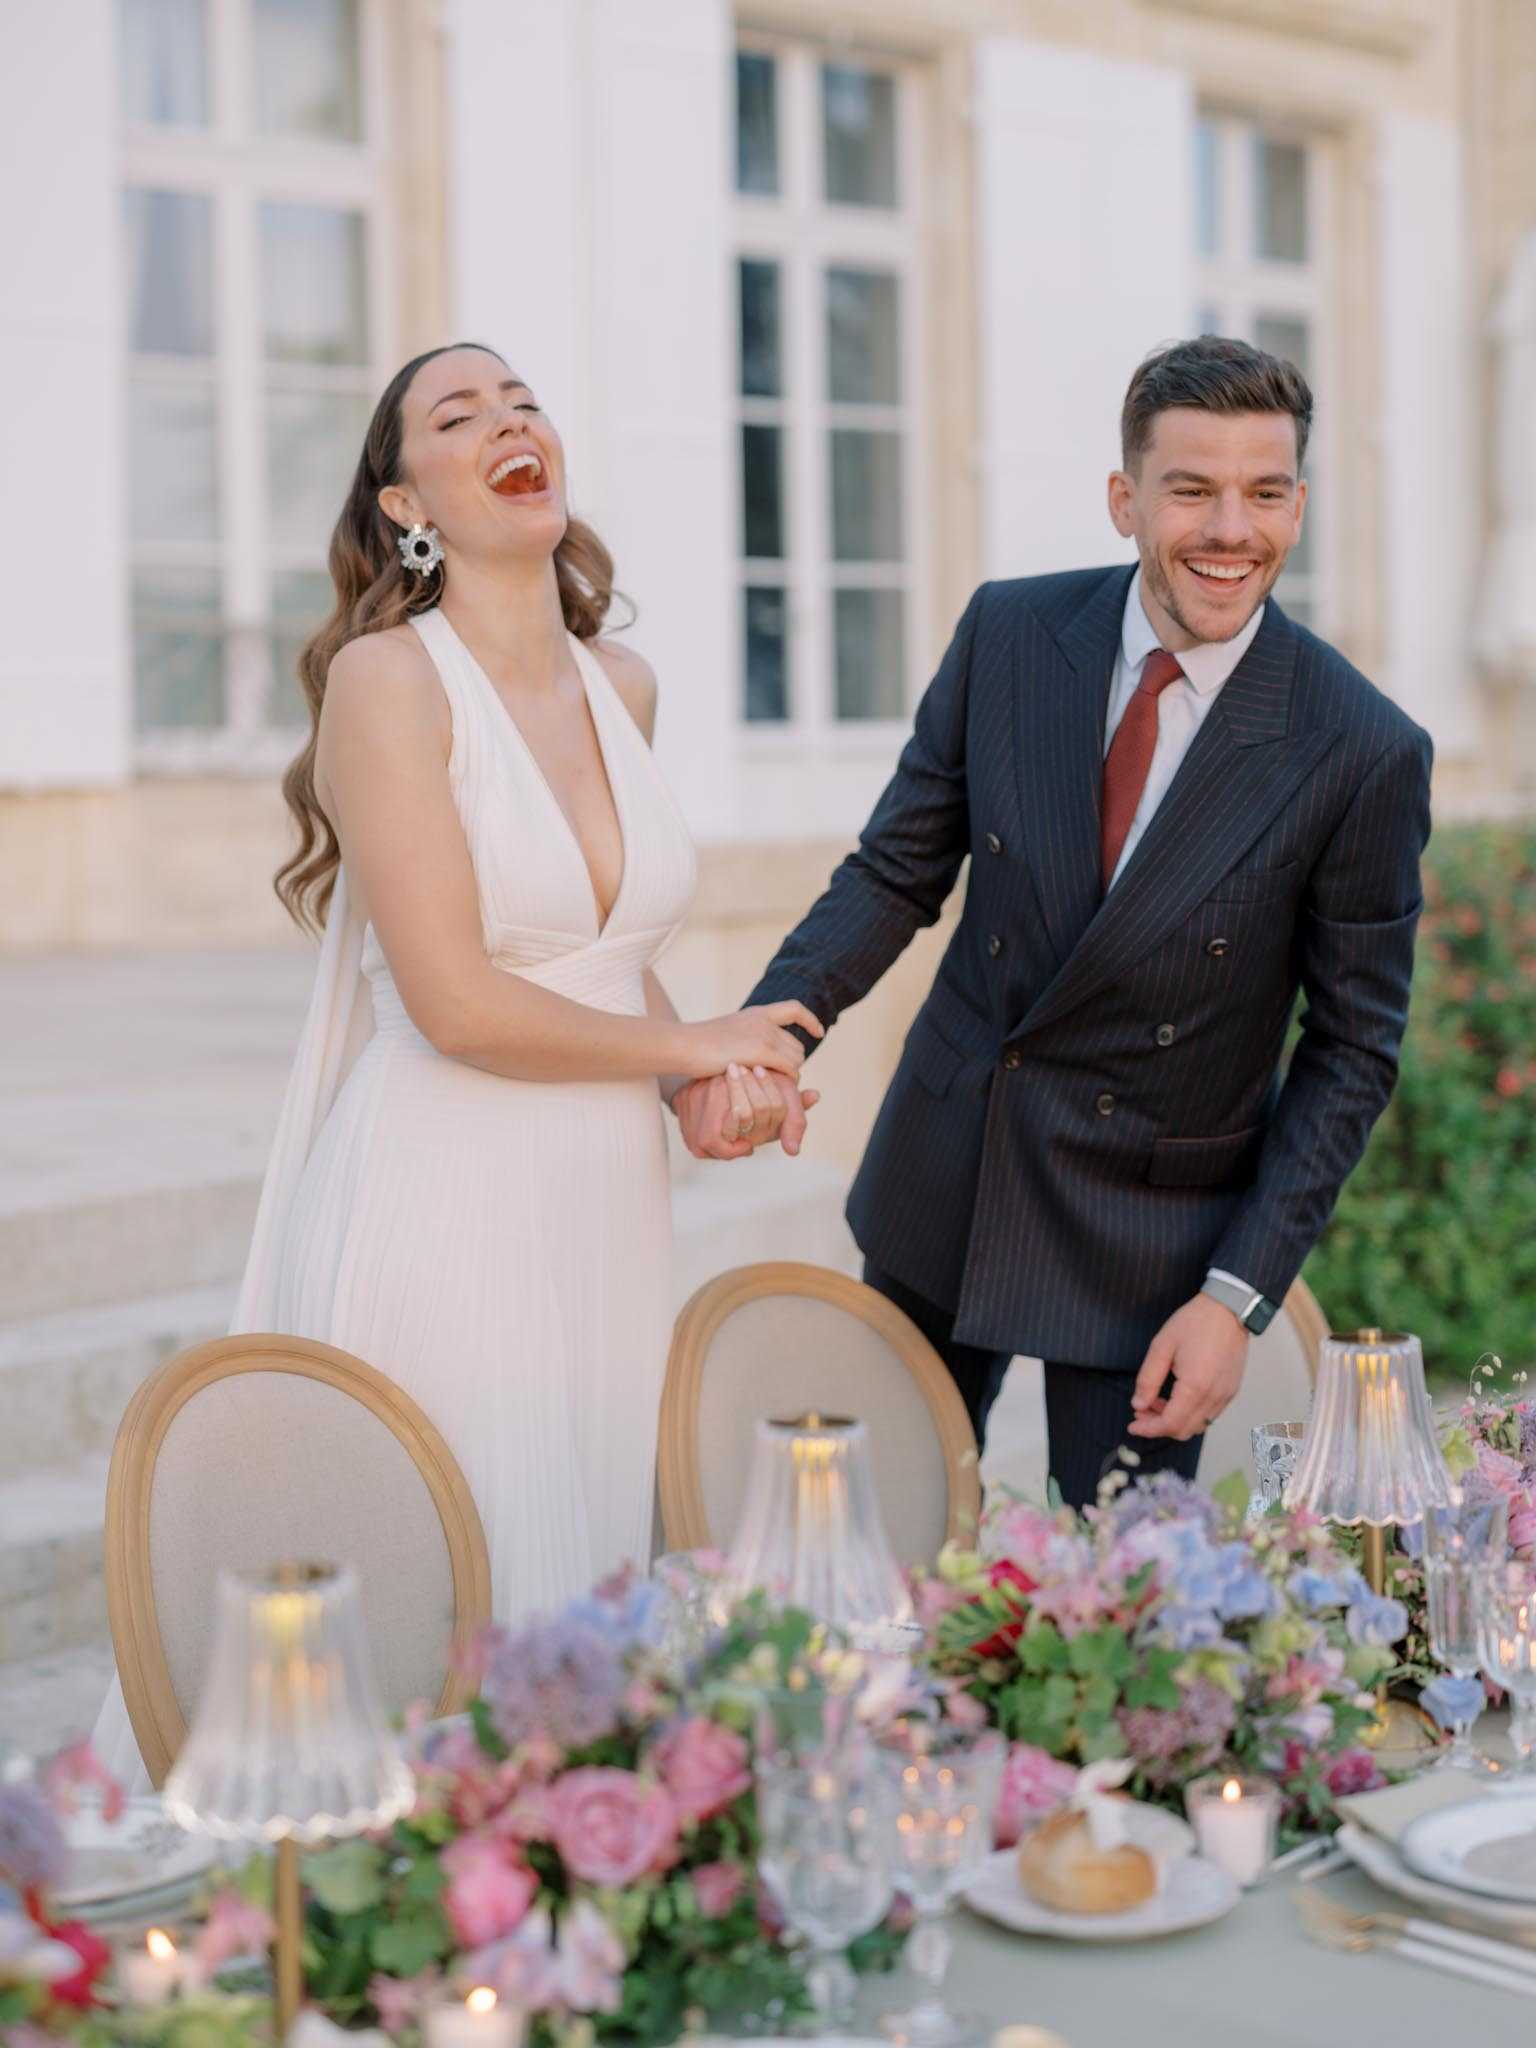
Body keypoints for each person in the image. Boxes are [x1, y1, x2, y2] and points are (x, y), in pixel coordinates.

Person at [93, 342, 819, 1779]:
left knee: (579, 1551)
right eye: (458, 414)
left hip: (599, 1197)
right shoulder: (386, 682)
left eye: (525, 400)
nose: (509, 423)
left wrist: (695, 1088)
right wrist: (694, 1040)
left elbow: (604, 946)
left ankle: (553, 1885)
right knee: (453, 1561)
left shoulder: (629, 682)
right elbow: (455, 1001)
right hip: (443, 1185)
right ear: (403, 497)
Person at [675, 336, 1432, 1509]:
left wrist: (1237, 1293)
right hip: (950, 1176)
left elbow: (1350, 1052)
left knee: (1124, 1615)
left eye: (1266, 491)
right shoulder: (1013, 634)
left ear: (1299, 502)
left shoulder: (1362, 746)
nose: (1232, 528)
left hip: (1153, 1242)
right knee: (880, 1542)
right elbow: (895, 870)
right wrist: (767, 1035)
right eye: (1192, 488)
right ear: (1126, 498)